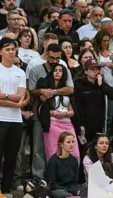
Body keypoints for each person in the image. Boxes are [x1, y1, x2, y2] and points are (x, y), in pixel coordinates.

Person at [0, 38, 26, 195]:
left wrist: (5, 96)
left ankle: (6, 188)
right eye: (7, 49)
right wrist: (12, 99)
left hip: (15, 120)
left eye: (13, 49)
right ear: (0, 52)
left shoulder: (20, 72)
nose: (11, 52)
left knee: (11, 156)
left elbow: (20, 96)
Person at [27, 43, 73, 180]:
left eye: (57, 58)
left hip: (60, 116)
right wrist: (41, 91)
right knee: (38, 148)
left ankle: (56, 176)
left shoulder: (63, 68)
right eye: (52, 58)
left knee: (56, 146)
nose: (54, 61)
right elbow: (31, 90)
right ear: (46, 54)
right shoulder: (36, 69)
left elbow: (70, 89)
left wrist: (52, 92)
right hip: (40, 114)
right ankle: (38, 178)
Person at [36, 63, 80, 161]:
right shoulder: (46, 91)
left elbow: (72, 112)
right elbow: (41, 110)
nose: (57, 73)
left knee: (75, 154)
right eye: (55, 70)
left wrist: (64, 114)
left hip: (67, 124)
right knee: (53, 153)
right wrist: (53, 113)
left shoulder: (67, 91)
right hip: (52, 124)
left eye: (60, 71)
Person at [74, 59, 113, 143]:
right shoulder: (78, 84)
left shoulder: (100, 83)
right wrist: (80, 124)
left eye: (97, 69)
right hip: (85, 123)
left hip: (99, 123)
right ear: (85, 71)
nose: (95, 71)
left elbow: (112, 95)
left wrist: (102, 84)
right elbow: (77, 105)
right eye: (92, 69)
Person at [45, 131, 79, 198]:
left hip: (71, 190)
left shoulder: (74, 160)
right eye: (68, 142)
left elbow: (75, 181)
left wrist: (73, 190)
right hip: (58, 191)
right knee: (61, 194)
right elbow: (52, 183)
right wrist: (66, 191)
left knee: (86, 189)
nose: (71, 144)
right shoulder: (53, 160)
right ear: (61, 144)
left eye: (72, 142)